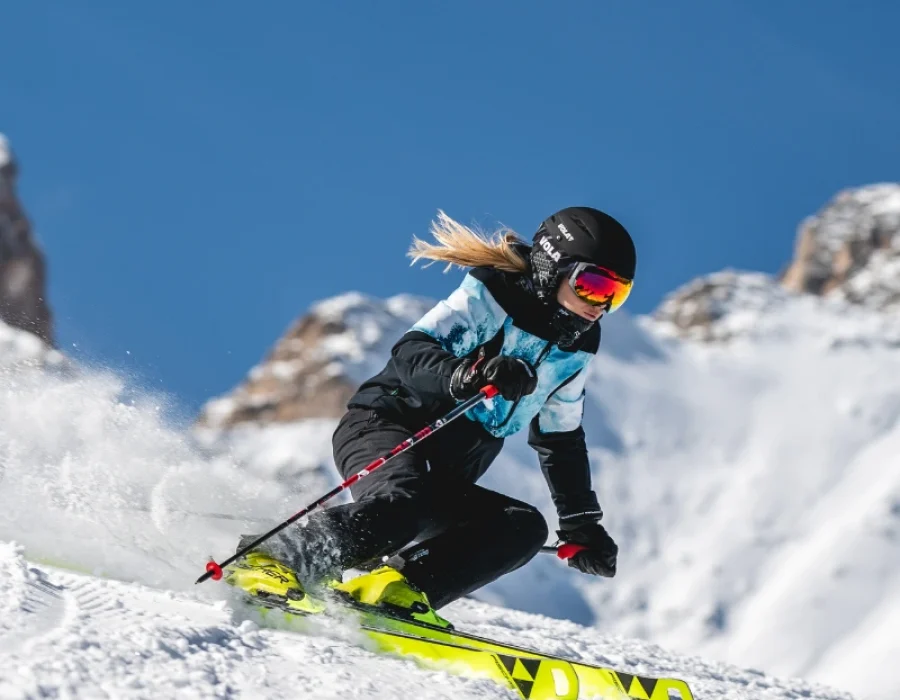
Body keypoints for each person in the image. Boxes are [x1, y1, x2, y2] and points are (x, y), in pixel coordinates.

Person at [227, 206, 636, 629]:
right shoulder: (494, 293)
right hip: (386, 424)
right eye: (593, 284)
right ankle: (272, 556)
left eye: (617, 294)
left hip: (445, 473)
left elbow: (560, 439)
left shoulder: (579, 344)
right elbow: (412, 351)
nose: (601, 304)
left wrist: (580, 524)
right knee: (403, 505)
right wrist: (467, 374)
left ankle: (395, 592)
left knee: (522, 529)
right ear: (555, 268)